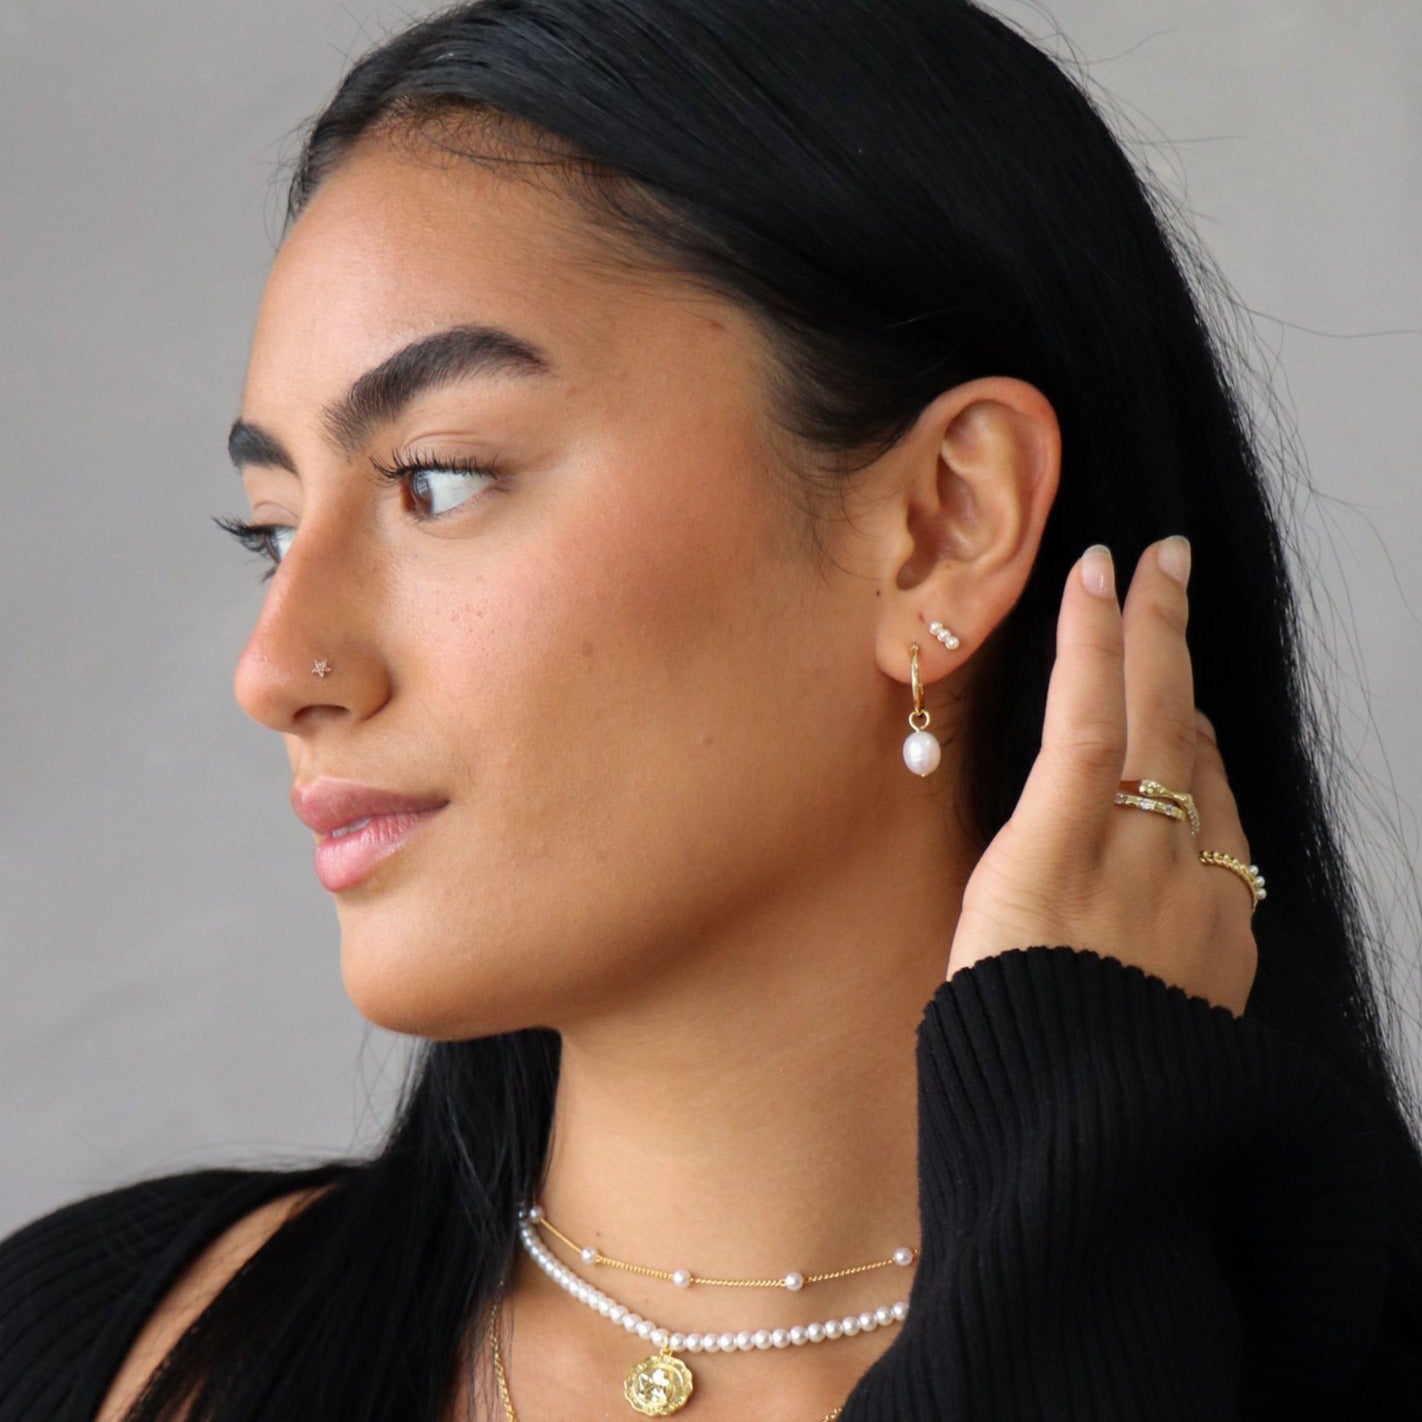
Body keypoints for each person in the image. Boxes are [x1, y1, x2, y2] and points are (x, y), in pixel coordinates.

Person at [2, 1, 1420, 1418]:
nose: (274, 669)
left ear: (942, 524)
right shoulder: (92, 1360)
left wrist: (1068, 1222)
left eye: (437, 480)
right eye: (271, 528)